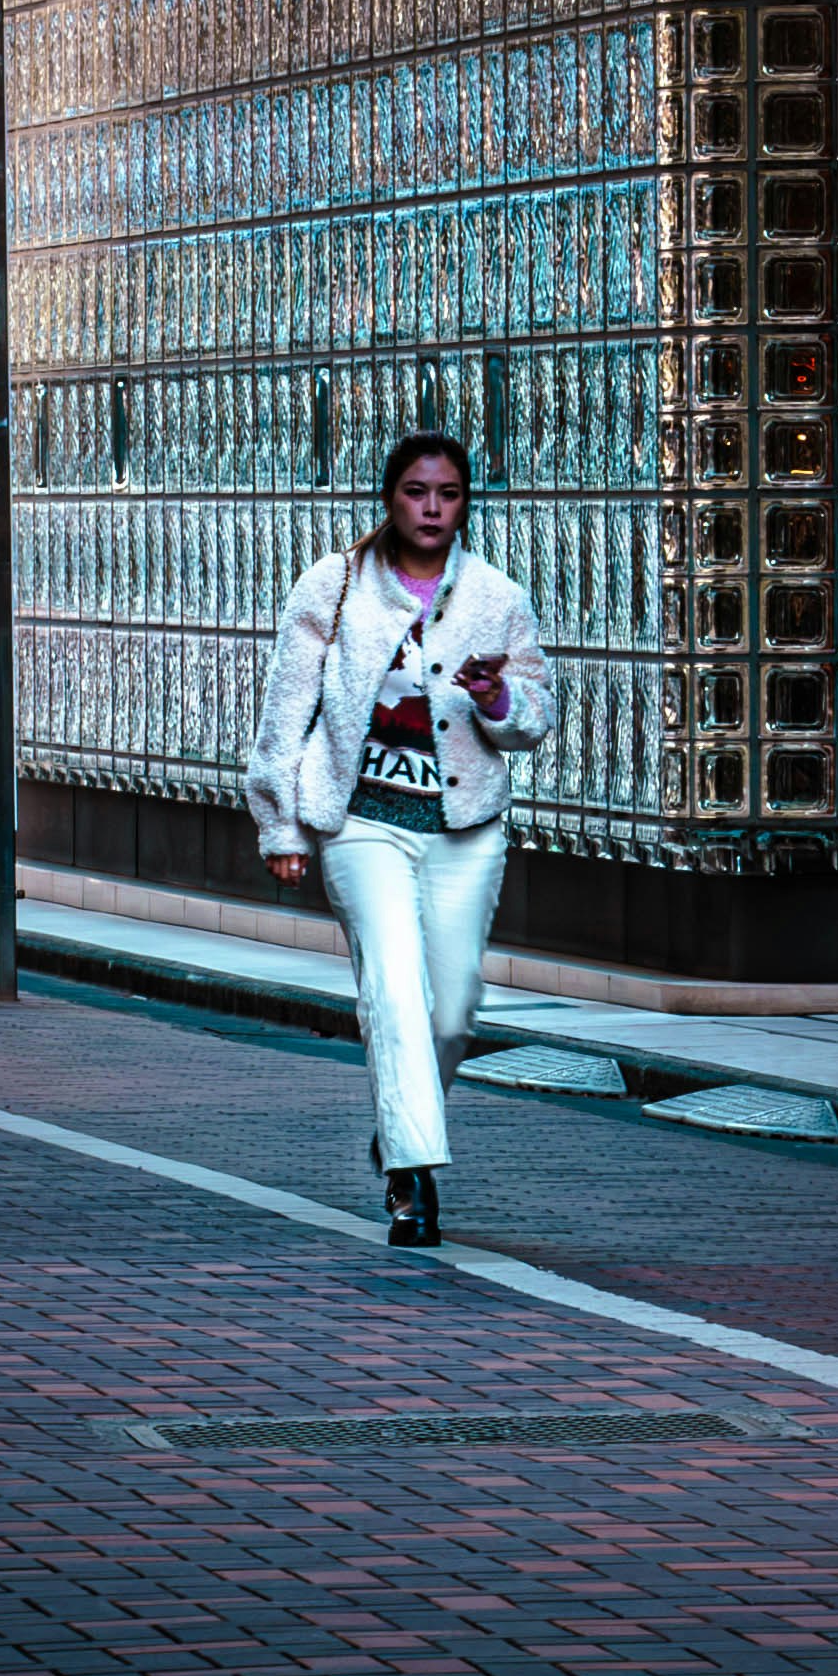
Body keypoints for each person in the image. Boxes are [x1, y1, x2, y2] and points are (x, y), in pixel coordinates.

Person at [246, 433, 553, 1246]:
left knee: (449, 1014)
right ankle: (411, 1182)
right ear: (390, 498)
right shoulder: (334, 585)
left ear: (465, 503)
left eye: (448, 494)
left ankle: (399, 1126)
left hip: (466, 827)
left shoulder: (497, 596)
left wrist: (497, 700)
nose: (431, 508)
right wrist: (282, 824)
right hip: (361, 824)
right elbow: (286, 715)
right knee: (391, 984)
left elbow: (534, 717)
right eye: (416, 492)